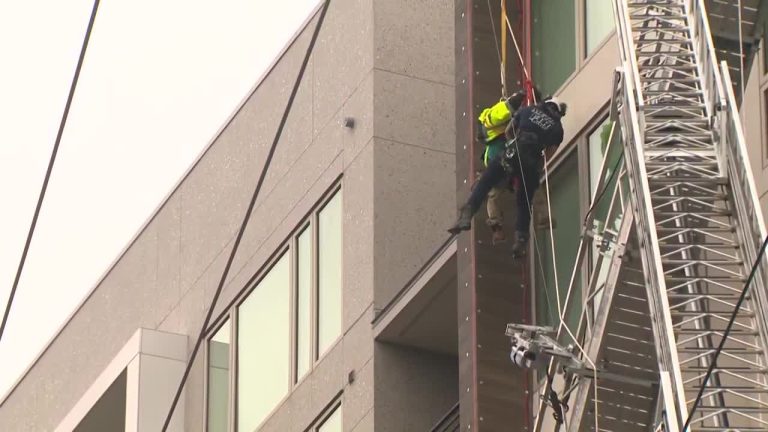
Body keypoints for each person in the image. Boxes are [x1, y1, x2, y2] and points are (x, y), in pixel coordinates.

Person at [449, 96, 567, 257]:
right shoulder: (557, 128)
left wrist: (513, 144)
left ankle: (466, 215)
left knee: (485, 182)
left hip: (513, 153)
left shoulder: (528, 110)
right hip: (531, 163)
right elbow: (549, 153)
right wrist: (536, 166)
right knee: (524, 202)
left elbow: (508, 131)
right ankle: (520, 241)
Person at [476, 87, 542, 244]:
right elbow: (501, 112)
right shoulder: (496, 115)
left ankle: (498, 227)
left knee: (495, 194)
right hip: (503, 156)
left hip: (507, 158)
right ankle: (498, 227)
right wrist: (518, 98)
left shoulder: (519, 118)